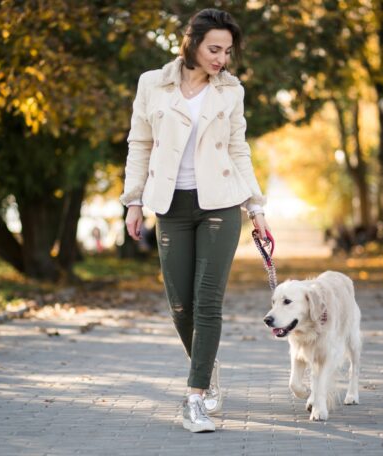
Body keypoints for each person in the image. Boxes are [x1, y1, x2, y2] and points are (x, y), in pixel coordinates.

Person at [120, 8, 270, 433]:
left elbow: (239, 150)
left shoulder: (231, 91)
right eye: (214, 49)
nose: (221, 58)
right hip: (171, 206)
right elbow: (139, 143)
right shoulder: (153, 83)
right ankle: (207, 366)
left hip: (220, 204)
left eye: (227, 51)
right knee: (180, 305)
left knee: (207, 300)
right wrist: (133, 202)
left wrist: (255, 208)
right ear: (192, 43)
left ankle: (195, 398)